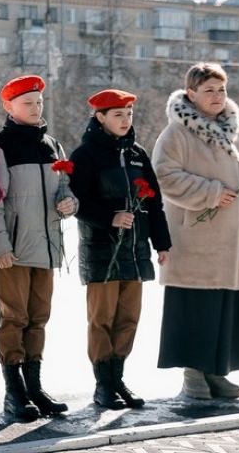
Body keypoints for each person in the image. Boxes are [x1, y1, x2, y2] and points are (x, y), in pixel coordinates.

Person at [151, 64, 239, 398]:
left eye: (221, 90)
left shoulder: (237, 130)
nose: (217, 97)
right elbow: (165, 176)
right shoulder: (176, 133)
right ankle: (192, 374)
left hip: (232, 240)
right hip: (194, 240)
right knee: (194, 307)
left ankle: (216, 372)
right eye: (209, 90)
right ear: (191, 94)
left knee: (225, 307)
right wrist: (210, 192)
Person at [68, 89, 171, 410]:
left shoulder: (138, 153)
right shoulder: (84, 155)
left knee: (128, 318)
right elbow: (77, 203)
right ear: (100, 117)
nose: (126, 121)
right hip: (102, 250)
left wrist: (161, 243)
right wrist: (109, 217)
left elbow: (154, 203)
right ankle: (103, 384)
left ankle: (118, 378)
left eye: (129, 114)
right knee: (102, 319)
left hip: (135, 250)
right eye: (118, 115)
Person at [0, 75, 76, 421]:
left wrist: (69, 202)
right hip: (14, 249)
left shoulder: (52, 145)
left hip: (48, 246)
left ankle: (35, 387)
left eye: (39, 102)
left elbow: (65, 188)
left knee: (38, 318)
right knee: (14, 318)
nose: (36, 108)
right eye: (28, 103)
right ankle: (15, 393)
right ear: (9, 107)